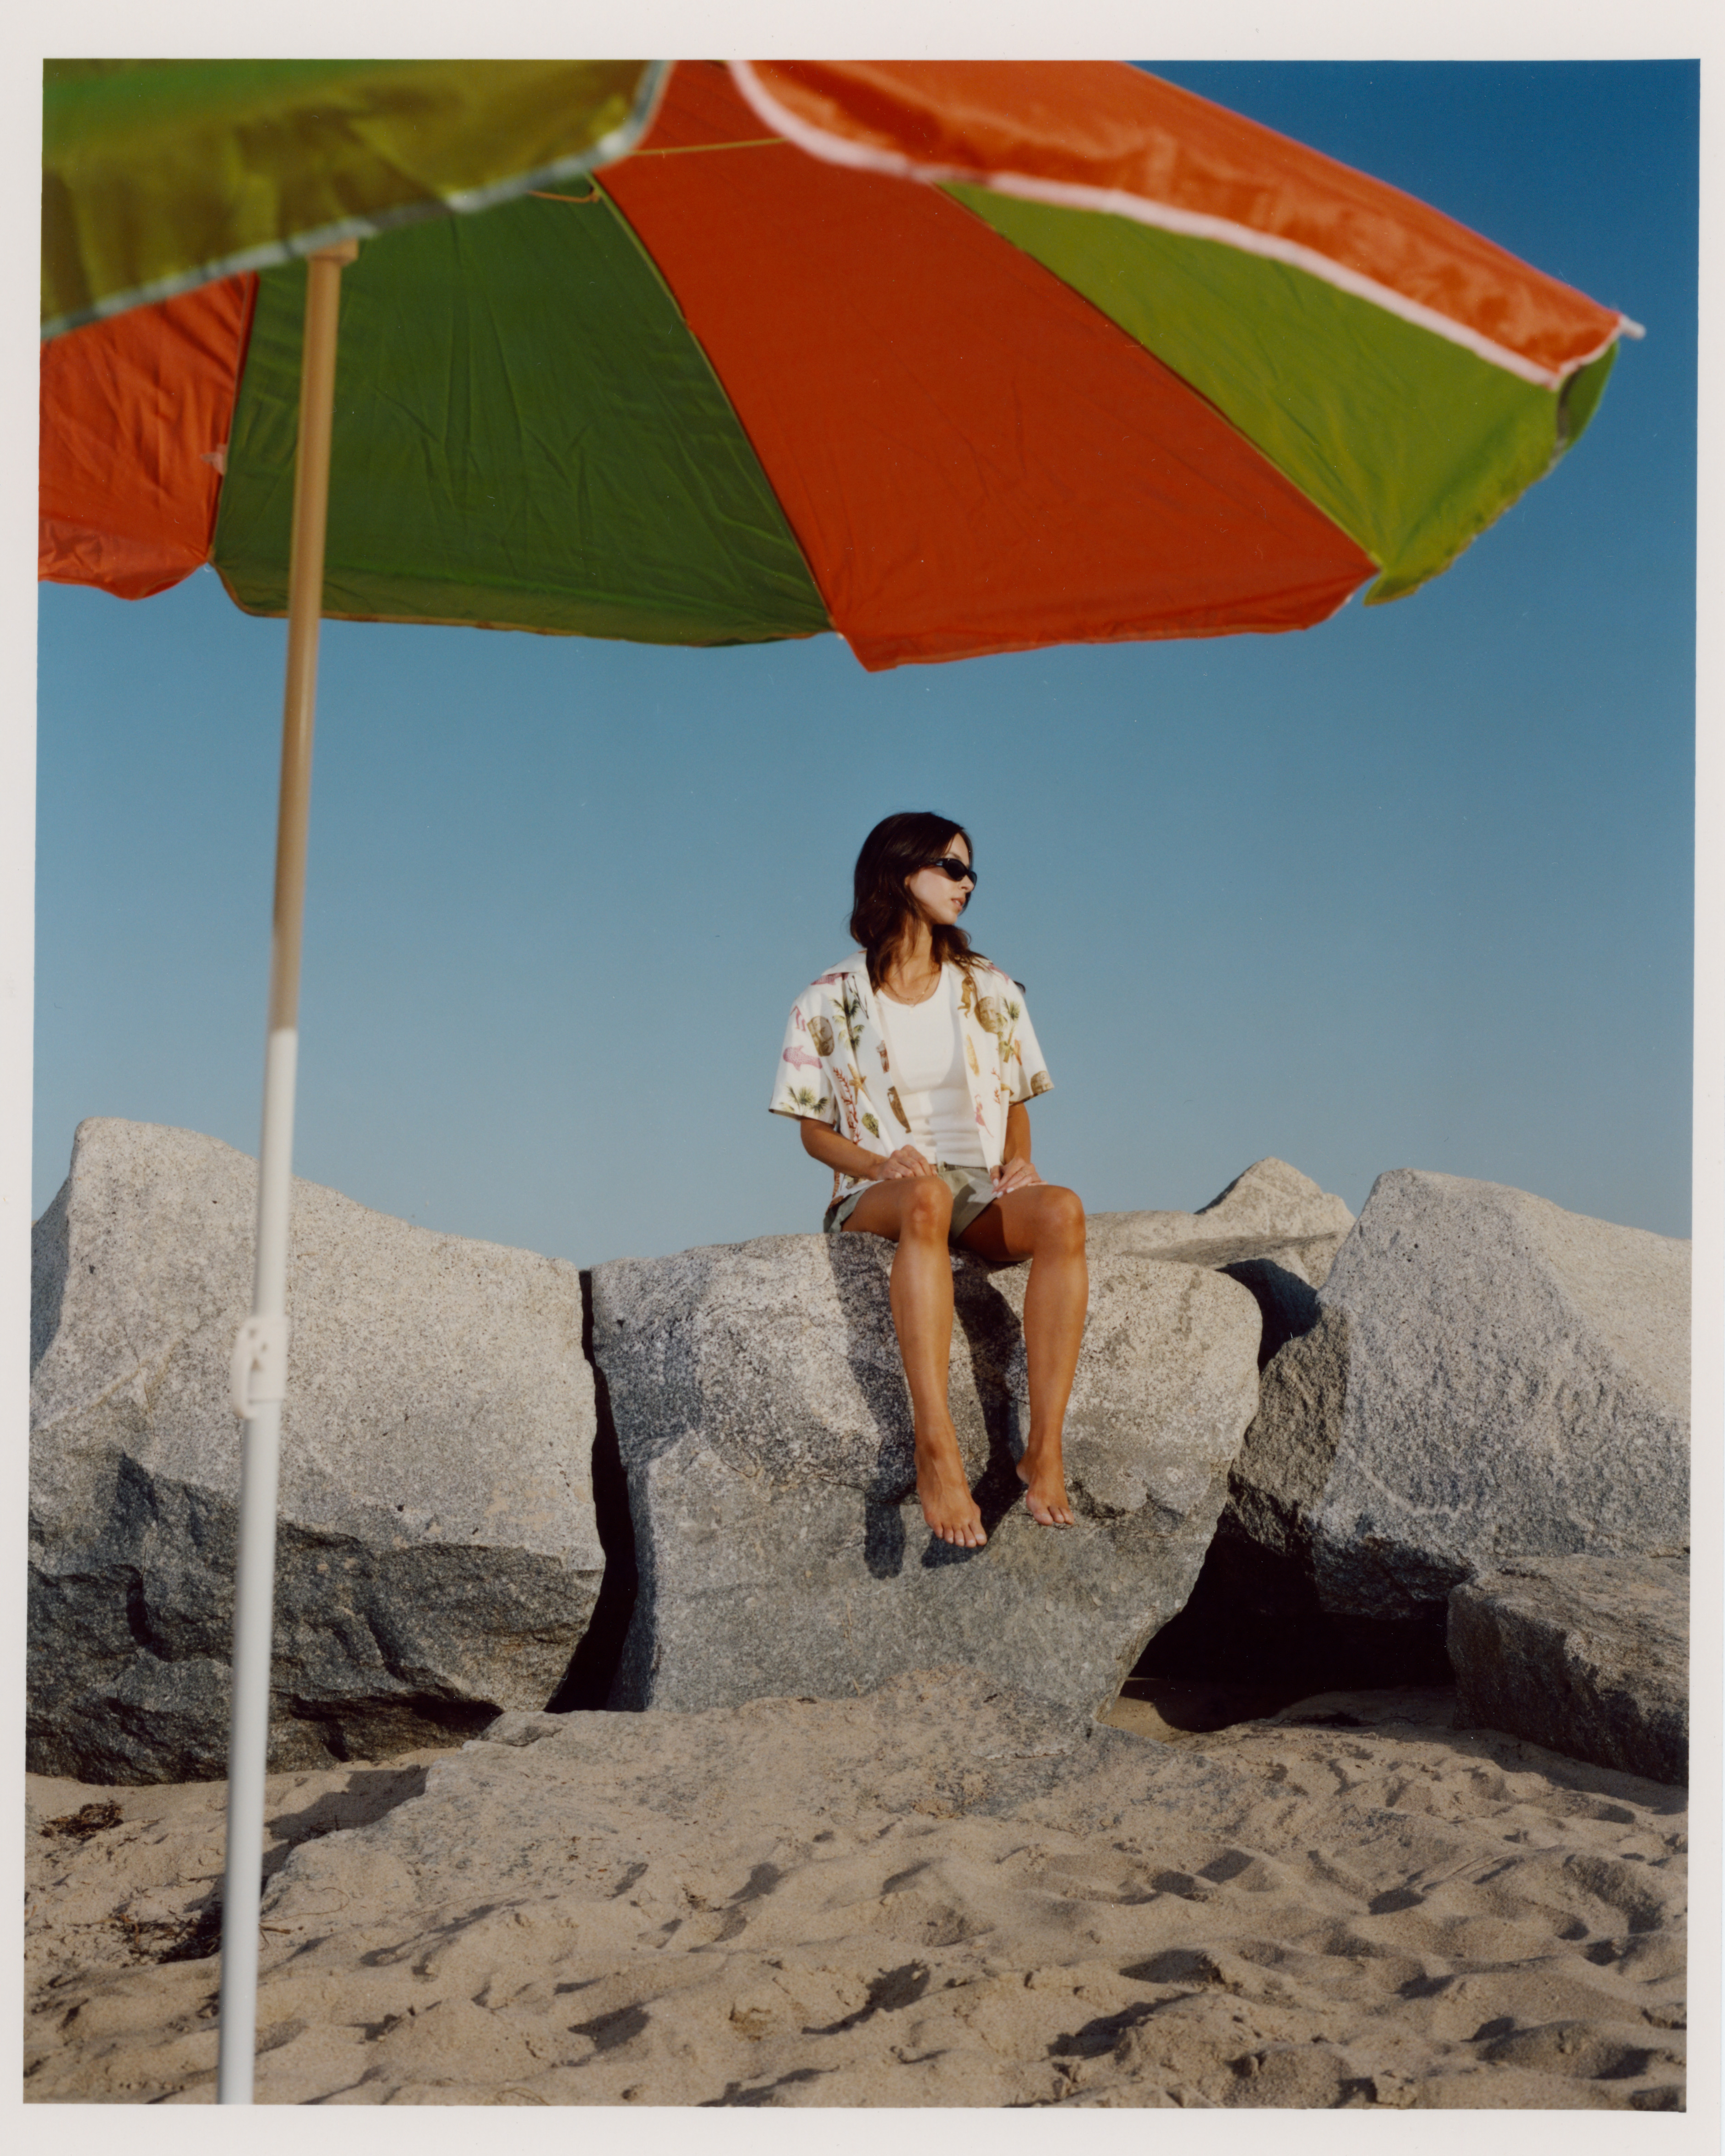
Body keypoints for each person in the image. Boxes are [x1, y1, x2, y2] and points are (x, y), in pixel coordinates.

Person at [769, 811, 1087, 1549]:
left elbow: (1014, 1101)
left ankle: (1044, 1450)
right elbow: (814, 1131)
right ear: (899, 871)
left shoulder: (992, 988)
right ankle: (935, 1445)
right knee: (926, 1196)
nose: (967, 882)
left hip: (977, 1184)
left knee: (1064, 1212)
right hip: (881, 1190)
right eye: (951, 867)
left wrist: (1018, 1161)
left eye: (971, 870)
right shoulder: (826, 999)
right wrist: (878, 1164)